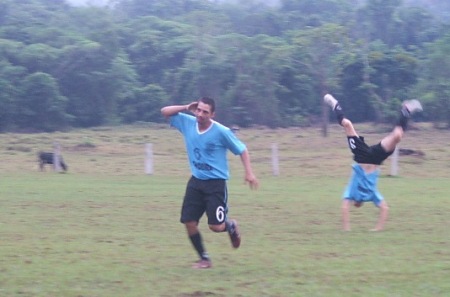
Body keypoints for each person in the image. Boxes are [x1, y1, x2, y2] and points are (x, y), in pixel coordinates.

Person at [161, 96, 259, 269]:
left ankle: (230, 226)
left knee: (215, 226)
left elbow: (242, 150)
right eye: (198, 110)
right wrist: (185, 106)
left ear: (212, 114)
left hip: (215, 184)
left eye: (205, 112)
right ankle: (204, 259)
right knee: (189, 222)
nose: (200, 114)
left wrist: (249, 173)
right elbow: (164, 112)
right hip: (196, 181)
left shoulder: (221, 132)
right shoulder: (187, 122)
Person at [323, 94, 423, 231]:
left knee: (347, 124)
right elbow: (384, 208)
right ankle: (406, 110)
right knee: (398, 136)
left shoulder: (351, 193)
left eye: (354, 205)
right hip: (376, 158)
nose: (356, 205)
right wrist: (377, 229)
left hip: (361, 155)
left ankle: (335, 104)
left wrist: (346, 229)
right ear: (361, 203)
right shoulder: (371, 195)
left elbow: (344, 206)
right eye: (357, 205)